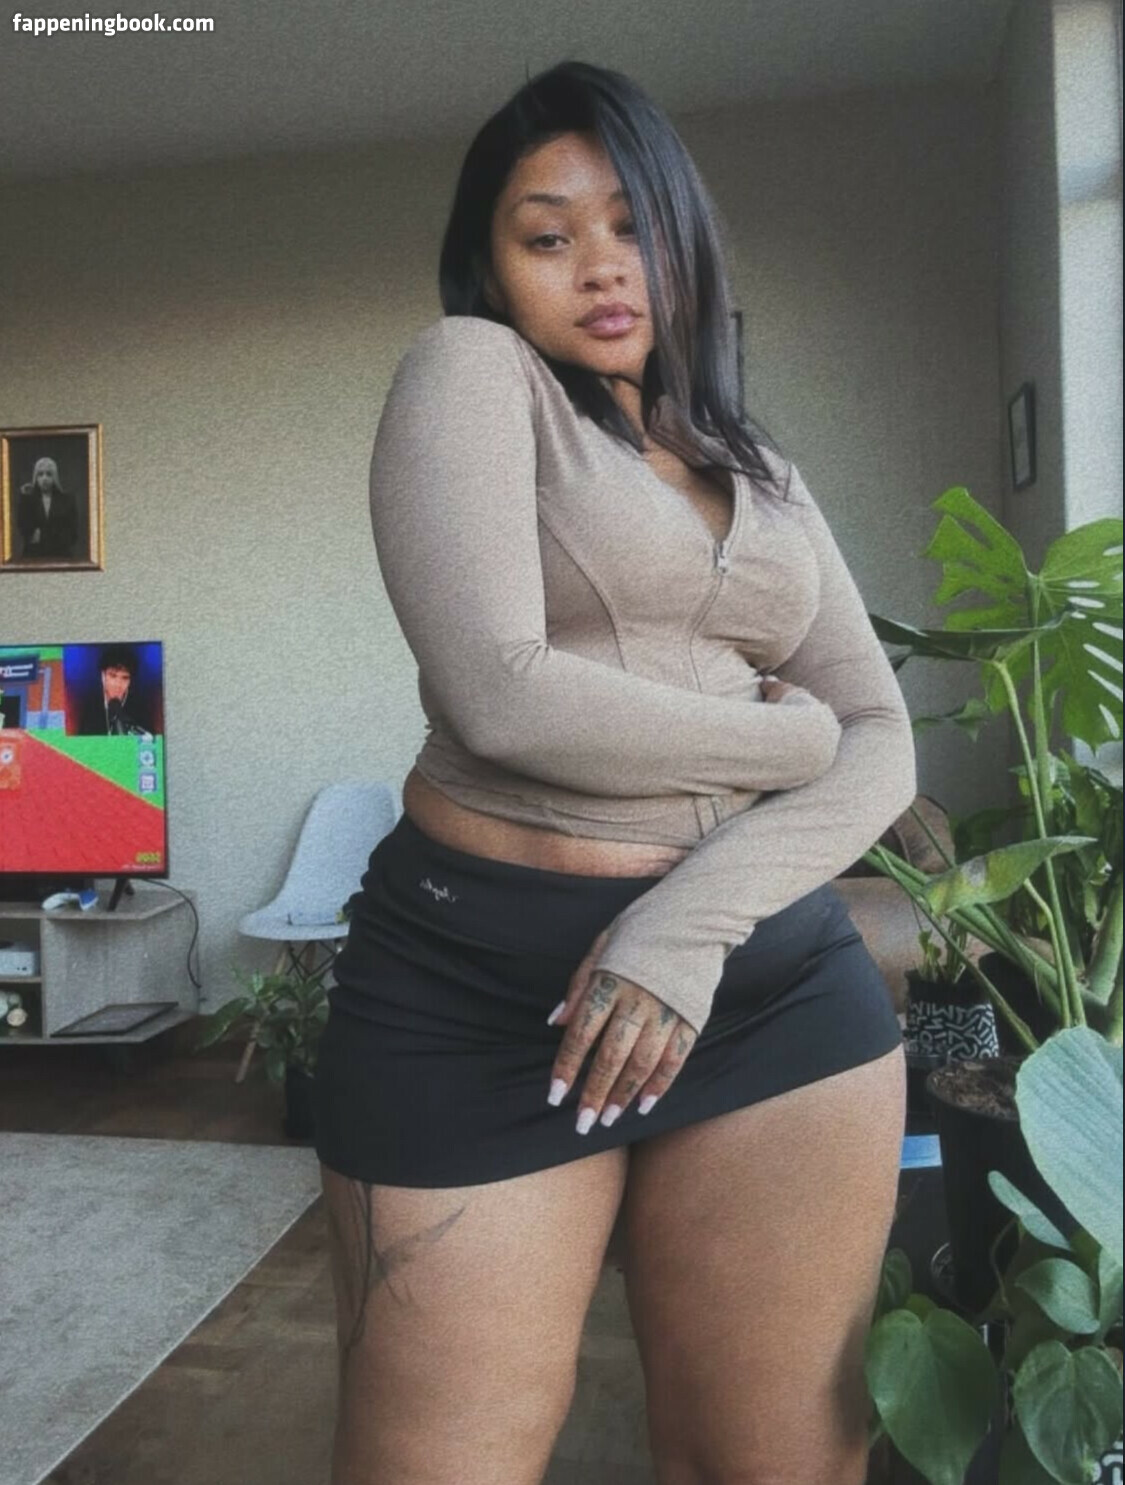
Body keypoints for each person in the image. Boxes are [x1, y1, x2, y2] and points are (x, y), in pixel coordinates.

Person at [312, 60, 916, 1485]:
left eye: (633, 225)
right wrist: (789, 739)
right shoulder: (475, 374)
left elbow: (885, 737)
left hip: (768, 985)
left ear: (686, 241)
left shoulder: (757, 465)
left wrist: (685, 924)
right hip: (482, 995)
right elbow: (502, 694)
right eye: (549, 234)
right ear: (492, 266)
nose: (600, 265)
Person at [74, 646, 154, 738]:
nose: (118, 684)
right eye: (113, 676)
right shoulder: (89, 706)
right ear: (103, 677)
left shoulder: (140, 708)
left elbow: (151, 742)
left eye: (125, 678)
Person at [16, 457, 79, 561]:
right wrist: (24, 499)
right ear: (36, 478)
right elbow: (25, 530)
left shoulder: (67, 500)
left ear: (55, 477)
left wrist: (42, 535)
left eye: (49, 474)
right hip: (33, 557)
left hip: (60, 556)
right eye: (40, 474)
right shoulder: (28, 500)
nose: (44, 478)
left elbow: (72, 535)